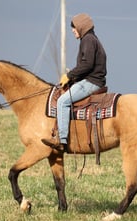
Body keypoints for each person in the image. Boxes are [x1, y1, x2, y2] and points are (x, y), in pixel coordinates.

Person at [42, 13, 107, 152]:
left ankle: (61, 140)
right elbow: (86, 66)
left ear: (82, 27)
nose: (73, 30)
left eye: (75, 27)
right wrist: (72, 76)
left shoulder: (88, 40)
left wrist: (69, 75)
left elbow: (87, 64)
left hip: (91, 82)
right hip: (91, 79)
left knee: (62, 101)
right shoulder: (90, 39)